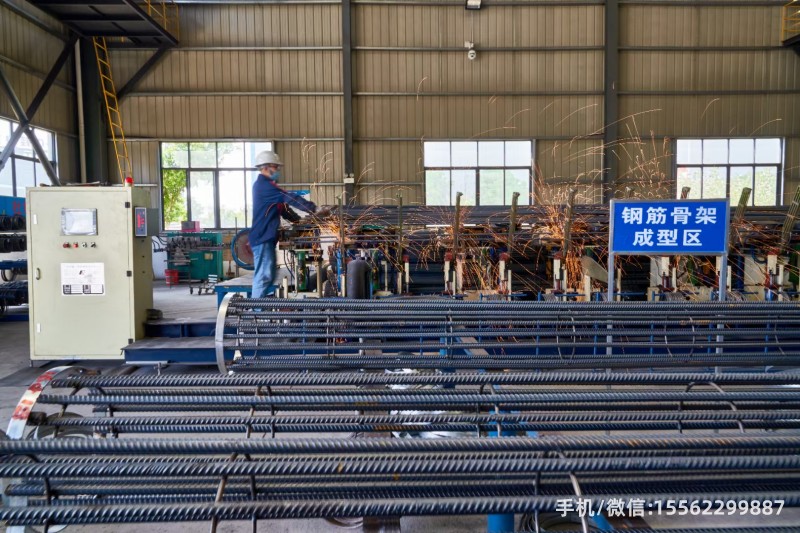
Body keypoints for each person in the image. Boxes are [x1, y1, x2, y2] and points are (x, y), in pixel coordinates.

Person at [250, 150, 317, 298]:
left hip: (266, 238)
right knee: (263, 277)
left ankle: (261, 306)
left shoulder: (268, 186)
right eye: (275, 166)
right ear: (266, 167)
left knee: (269, 274)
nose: (278, 170)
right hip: (262, 238)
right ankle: (256, 309)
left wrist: (298, 221)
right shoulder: (264, 186)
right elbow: (289, 197)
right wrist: (314, 209)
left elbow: (283, 208)